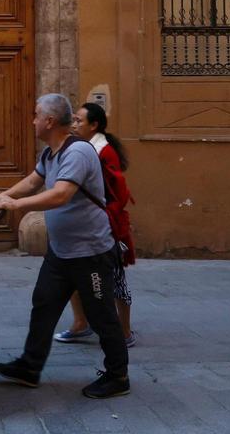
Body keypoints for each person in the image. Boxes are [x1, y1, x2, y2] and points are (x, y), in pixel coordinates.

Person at [0, 93, 129, 400]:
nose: (33, 119)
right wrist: (2, 198)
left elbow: (61, 194)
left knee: (101, 315)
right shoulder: (51, 154)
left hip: (90, 253)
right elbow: (33, 182)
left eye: (37, 114)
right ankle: (29, 367)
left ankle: (118, 376)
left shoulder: (77, 153)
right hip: (62, 252)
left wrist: (17, 205)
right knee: (44, 304)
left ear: (50, 121)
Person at [55, 102, 137, 347]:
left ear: (94, 125)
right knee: (74, 276)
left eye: (79, 121)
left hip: (104, 228)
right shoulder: (83, 147)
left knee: (115, 281)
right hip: (84, 227)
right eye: (74, 120)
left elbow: (117, 193)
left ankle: (124, 332)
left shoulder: (104, 151)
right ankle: (81, 324)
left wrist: (103, 218)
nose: (74, 124)